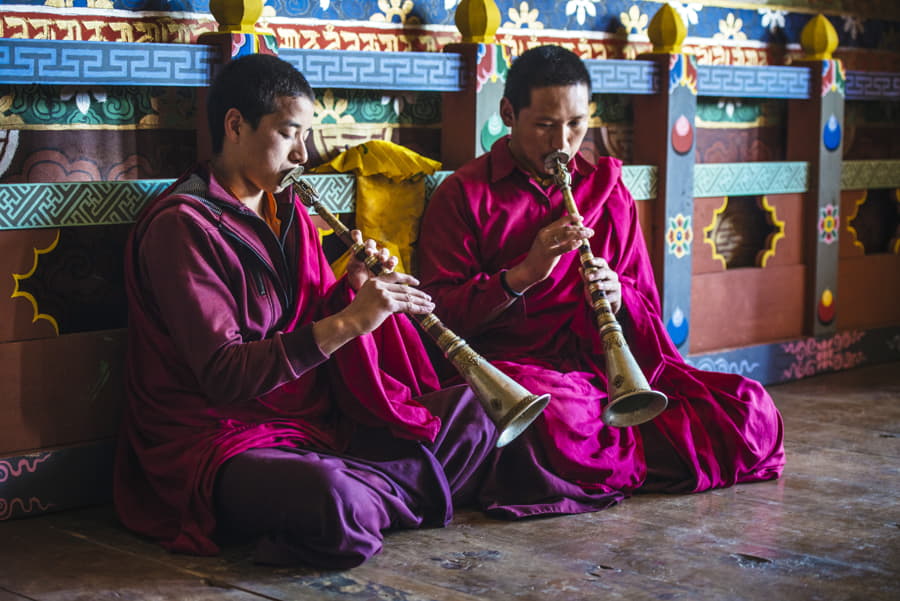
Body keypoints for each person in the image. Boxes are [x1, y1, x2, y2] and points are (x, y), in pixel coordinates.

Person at [113, 53, 502, 569]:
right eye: (289, 134)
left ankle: (372, 500)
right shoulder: (182, 227)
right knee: (332, 495)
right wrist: (349, 321)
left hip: (311, 424)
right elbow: (224, 376)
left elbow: (314, 309)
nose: (303, 153)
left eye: (307, 135)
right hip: (218, 440)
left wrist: (356, 289)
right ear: (235, 125)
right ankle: (386, 494)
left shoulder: (289, 207)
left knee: (478, 412)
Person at [417, 45, 785, 515]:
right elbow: (440, 316)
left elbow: (648, 309)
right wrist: (522, 276)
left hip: (607, 368)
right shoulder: (464, 195)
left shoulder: (607, 189)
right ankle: (607, 451)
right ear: (508, 112)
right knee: (557, 418)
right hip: (519, 367)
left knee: (749, 409)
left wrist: (618, 294)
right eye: (546, 125)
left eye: (576, 124)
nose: (563, 143)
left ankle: (598, 456)